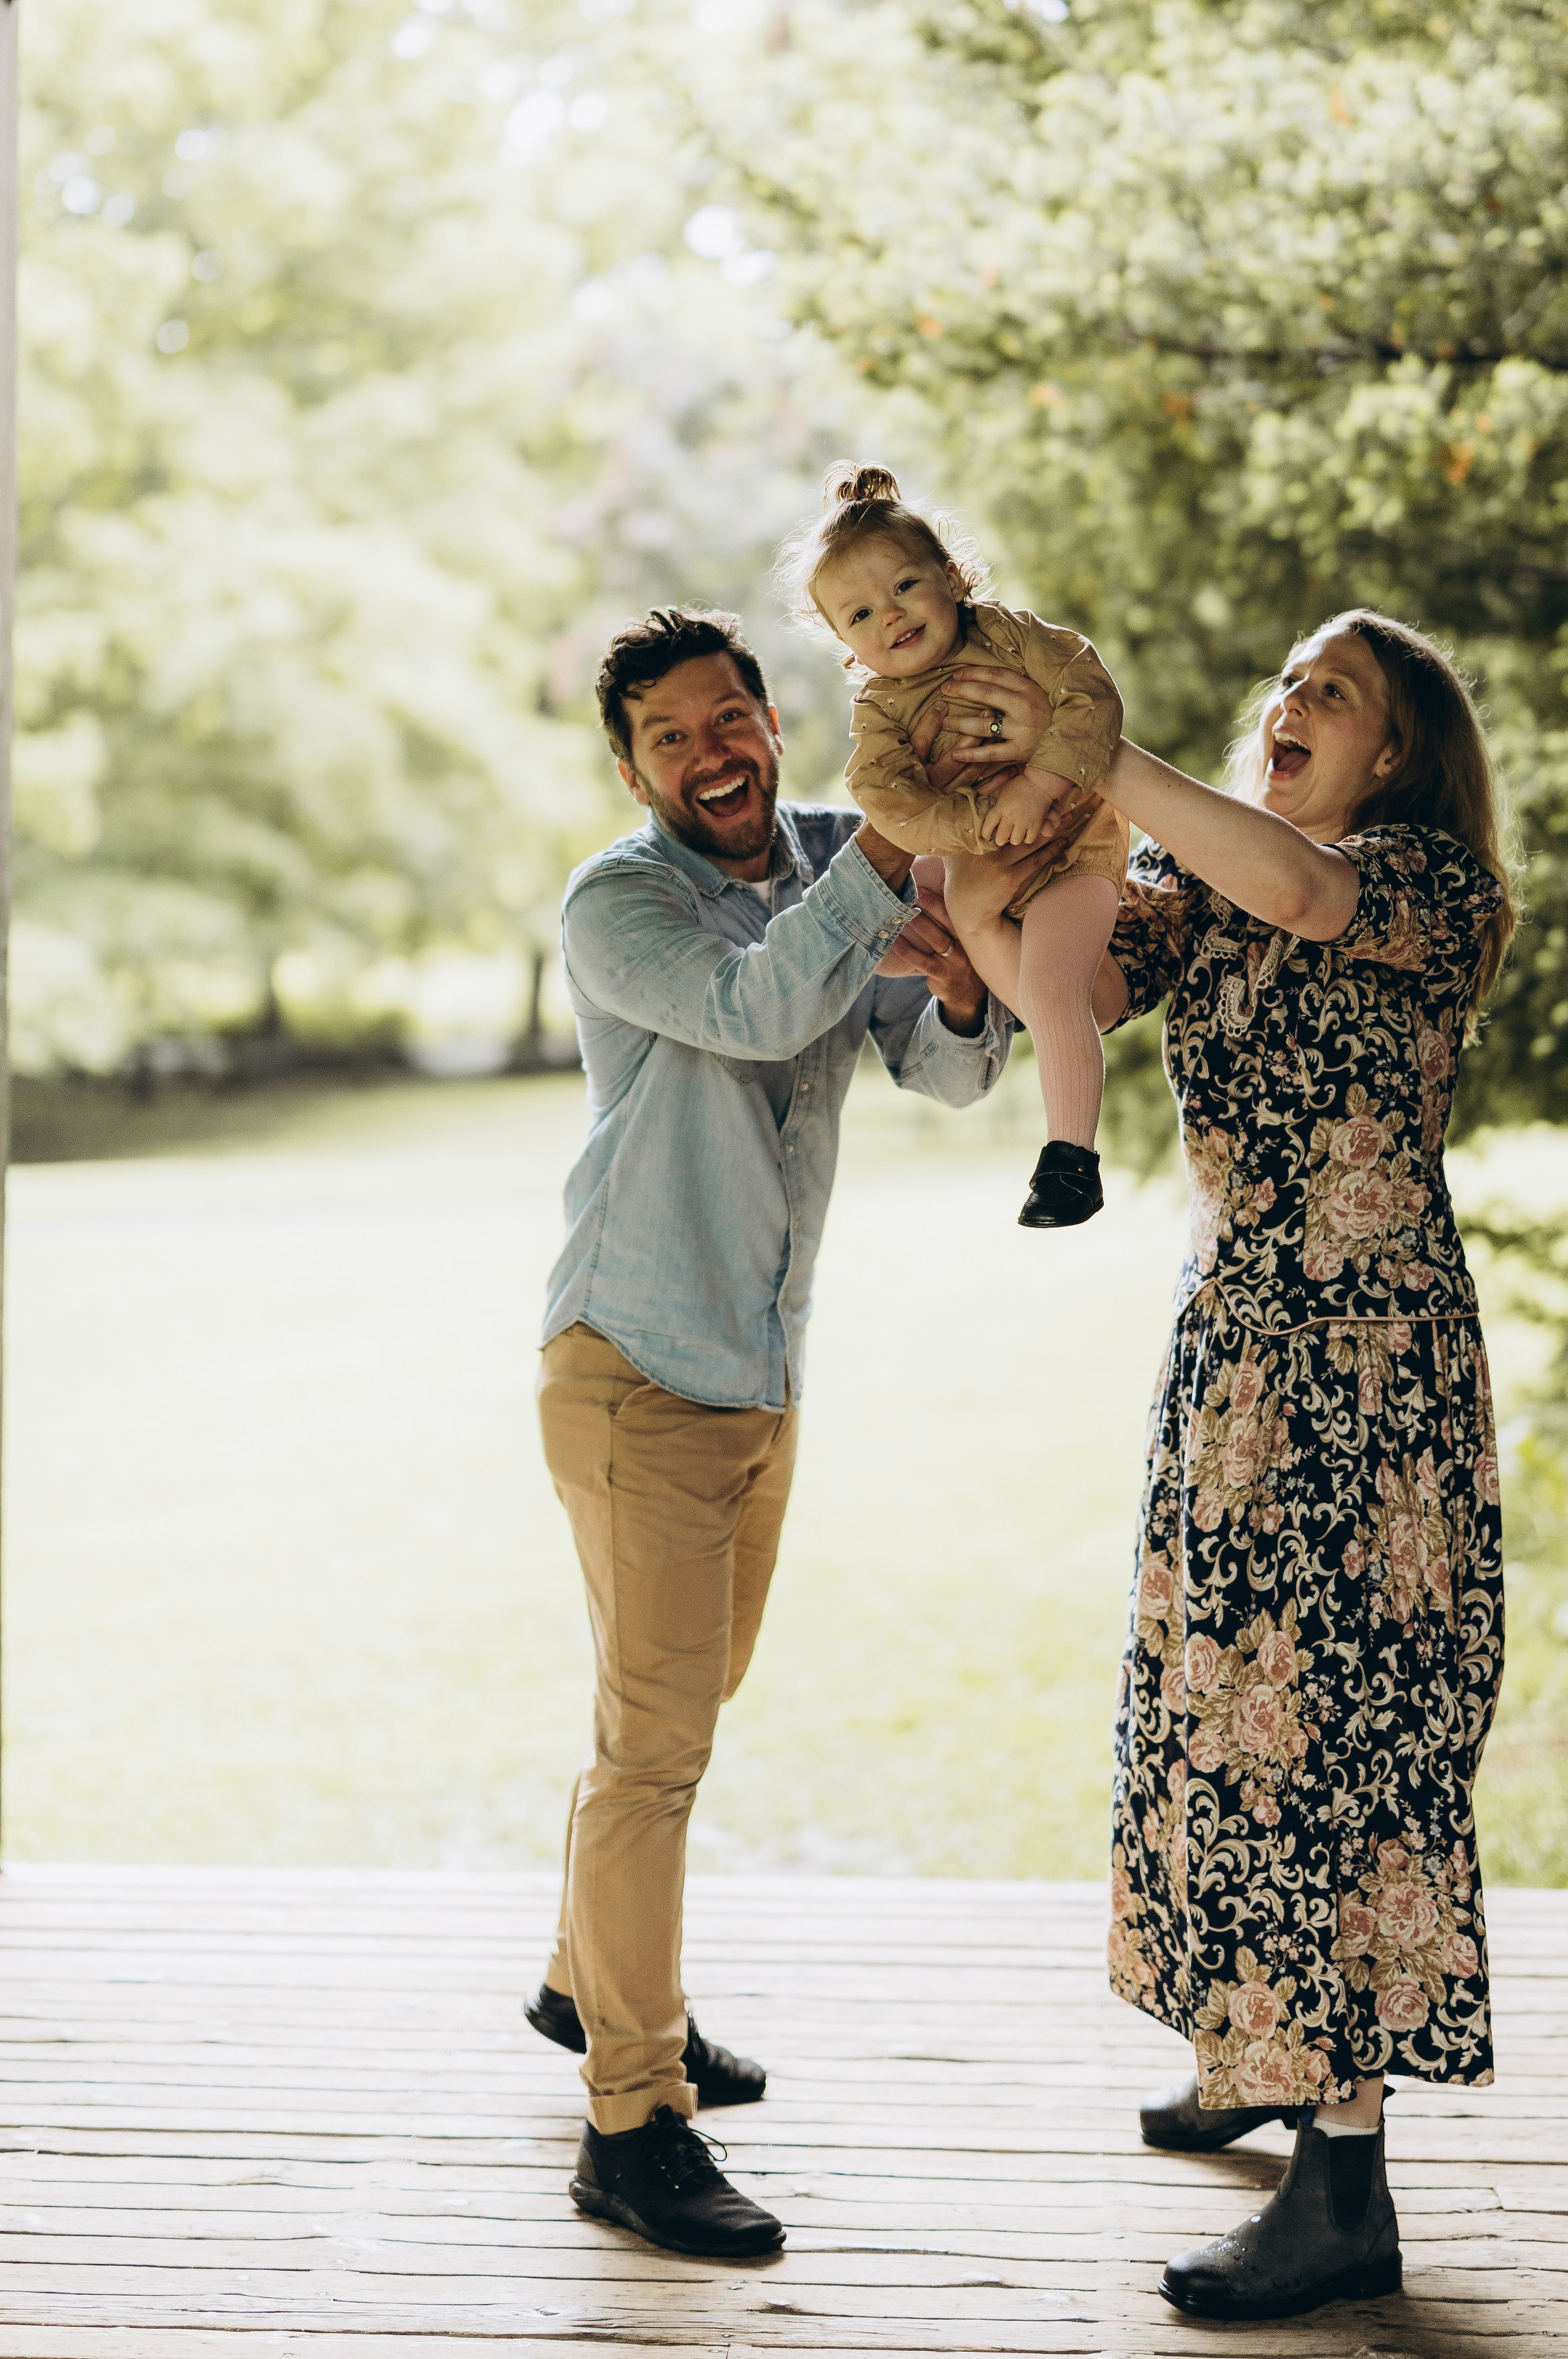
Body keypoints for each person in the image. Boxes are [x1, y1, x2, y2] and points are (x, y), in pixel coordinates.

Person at [938, 610, 1517, 2325]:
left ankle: (1344, 2191)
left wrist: (1095, 748)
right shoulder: (1207, 885)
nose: (1287, 705)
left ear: (1392, 752)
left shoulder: (1419, 884)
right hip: (1236, 1357)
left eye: (1325, 693)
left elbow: (1304, 896)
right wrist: (984, 879)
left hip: (1366, 1371)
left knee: (1333, 1737)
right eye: (1282, 683)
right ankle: (1253, 2048)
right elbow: (1078, 983)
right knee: (1220, 1713)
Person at [524, 605, 1012, 2262]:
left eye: (732, 713)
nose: (714, 749)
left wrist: (956, 987)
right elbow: (747, 1007)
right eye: (673, 733)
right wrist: (888, 870)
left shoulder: (830, 856)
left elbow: (941, 1072)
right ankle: (629, 2118)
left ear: (774, 718)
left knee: (678, 1695)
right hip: (631, 1362)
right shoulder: (620, 900)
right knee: (652, 1749)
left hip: (756, 1366)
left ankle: (579, 1976)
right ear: (632, 766)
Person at [778, 461, 1127, 1229]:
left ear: (952, 575)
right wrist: (972, 826)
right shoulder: (879, 711)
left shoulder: (1009, 638)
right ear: (843, 644)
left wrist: (1036, 787)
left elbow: (1091, 693)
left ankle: (1071, 1161)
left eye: (904, 586)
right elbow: (885, 798)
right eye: (860, 615)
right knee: (919, 910)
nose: (890, 617)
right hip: (976, 867)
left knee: (1061, 987)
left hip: (1069, 848)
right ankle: (974, 979)